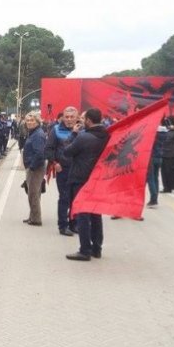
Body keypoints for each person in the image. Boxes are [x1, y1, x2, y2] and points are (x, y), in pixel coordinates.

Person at [64, 108, 110, 261]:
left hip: (81, 179)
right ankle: (97, 248)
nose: (81, 121)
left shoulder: (83, 137)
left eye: (83, 119)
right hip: (97, 179)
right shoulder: (107, 135)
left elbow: (67, 151)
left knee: (83, 215)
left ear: (89, 120)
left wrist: (73, 134)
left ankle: (85, 249)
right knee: (96, 214)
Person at [45, 107, 79, 236]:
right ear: (63, 117)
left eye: (72, 117)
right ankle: (63, 226)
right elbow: (48, 149)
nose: (69, 119)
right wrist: (55, 163)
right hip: (63, 169)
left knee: (75, 198)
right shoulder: (56, 130)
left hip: (78, 170)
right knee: (64, 198)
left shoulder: (82, 130)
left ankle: (74, 223)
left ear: (77, 117)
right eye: (67, 117)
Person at [22, 111, 46, 226]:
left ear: (37, 121)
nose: (29, 122)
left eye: (32, 120)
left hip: (35, 168)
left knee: (33, 193)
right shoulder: (33, 133)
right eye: (28, 120)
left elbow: (39, 153)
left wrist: (32, 167)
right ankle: (33, 215)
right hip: (33, 166)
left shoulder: (38, 134)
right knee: (34, 192)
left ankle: (36, 219)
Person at [147, 124, 169, 207]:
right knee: (156, 177)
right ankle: (156, 198)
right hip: (160, 157)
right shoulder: (164, 134)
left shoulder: (154, 134)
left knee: (150, 178)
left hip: (152, 157)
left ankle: (153, 198)